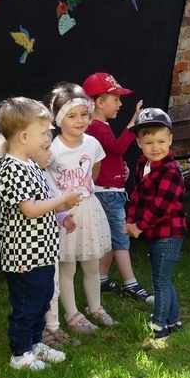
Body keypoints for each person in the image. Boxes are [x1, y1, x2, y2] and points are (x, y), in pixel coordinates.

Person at [0, 97, 82, 370]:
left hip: (42, 252)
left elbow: (41, 206)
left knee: (42, 301)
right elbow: (30, 209)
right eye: (43, 132)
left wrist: (61, 212)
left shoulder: (30, 165)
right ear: (23, 136)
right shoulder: (12, 169)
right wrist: (61, 200)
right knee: (26, 306)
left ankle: (34, 345)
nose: (48, 136)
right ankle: (20, 355)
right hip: (24, 256)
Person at [45, 82, 118, 336]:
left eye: (84, 114)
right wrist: (61, 207)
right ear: (58, 119)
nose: (80, 121)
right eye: (72, 116)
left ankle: (95, 307)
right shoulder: (52, 149)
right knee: (67, 267)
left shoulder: (92, 144)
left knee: (91, 263)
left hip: (88, 209)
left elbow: (93, 174)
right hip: (64, 213)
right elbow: (46, 180)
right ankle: (72, 314)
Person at [83, 72, 154, 304]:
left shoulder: (99, 126)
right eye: (116, 99)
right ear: (100, 103)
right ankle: (131, 283)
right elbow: (118, 147)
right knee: (122, 236)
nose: (120, 104)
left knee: (111, 237)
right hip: (108, 193)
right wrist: (134, 120)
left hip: (110, 189)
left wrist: (119, 169)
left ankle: (102, 278)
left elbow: (108, 155)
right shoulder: (97, 127)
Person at [124, 108, 187, 341]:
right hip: (156, 232)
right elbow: (137, 196)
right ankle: (174, 321)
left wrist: (139, 226)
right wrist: (131, 219)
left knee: (159, 281)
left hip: (170, 233)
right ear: (139, 142)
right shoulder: (143, 165)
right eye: (149, 142)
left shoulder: (171, 171)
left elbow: (161, 206)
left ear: (170, 139)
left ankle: (159, 325)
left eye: (161, 141)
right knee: (163, 278)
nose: (155, 147)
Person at [29, 142, 82, 348]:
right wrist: (62, 202)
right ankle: (41, 331)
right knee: (39, 291)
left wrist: (63, 214)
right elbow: (34, 207)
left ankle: (53, 327)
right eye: (45, 148)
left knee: (53, 288)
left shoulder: (41, 175)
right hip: (33, 247)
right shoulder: (26, 175)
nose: (50, 154)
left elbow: (49, 202)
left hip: (49, 245)